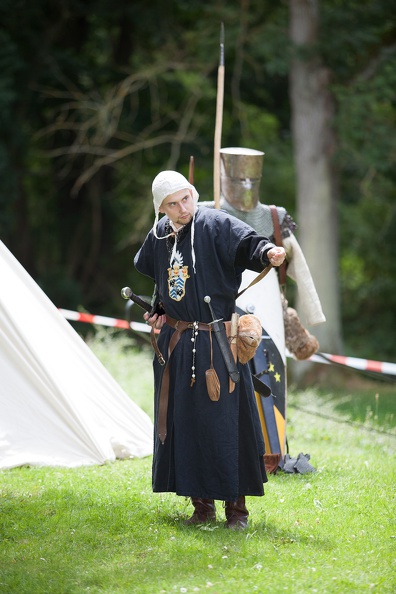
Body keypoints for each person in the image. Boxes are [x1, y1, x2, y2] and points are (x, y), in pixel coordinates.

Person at [134, 170, 286, 529]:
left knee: (226, 424)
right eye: (172, 204)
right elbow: (160, 277)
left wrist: (269, 250)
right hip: (177, 343)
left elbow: (248, 243)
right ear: (161, 208)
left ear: (192, 193)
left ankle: (237, 511)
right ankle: (201, 508)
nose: (182, 208)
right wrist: (159, 309)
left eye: (185, 198)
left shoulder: (215, 223)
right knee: (185, 424)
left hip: (219, 343)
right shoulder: (158, 236)